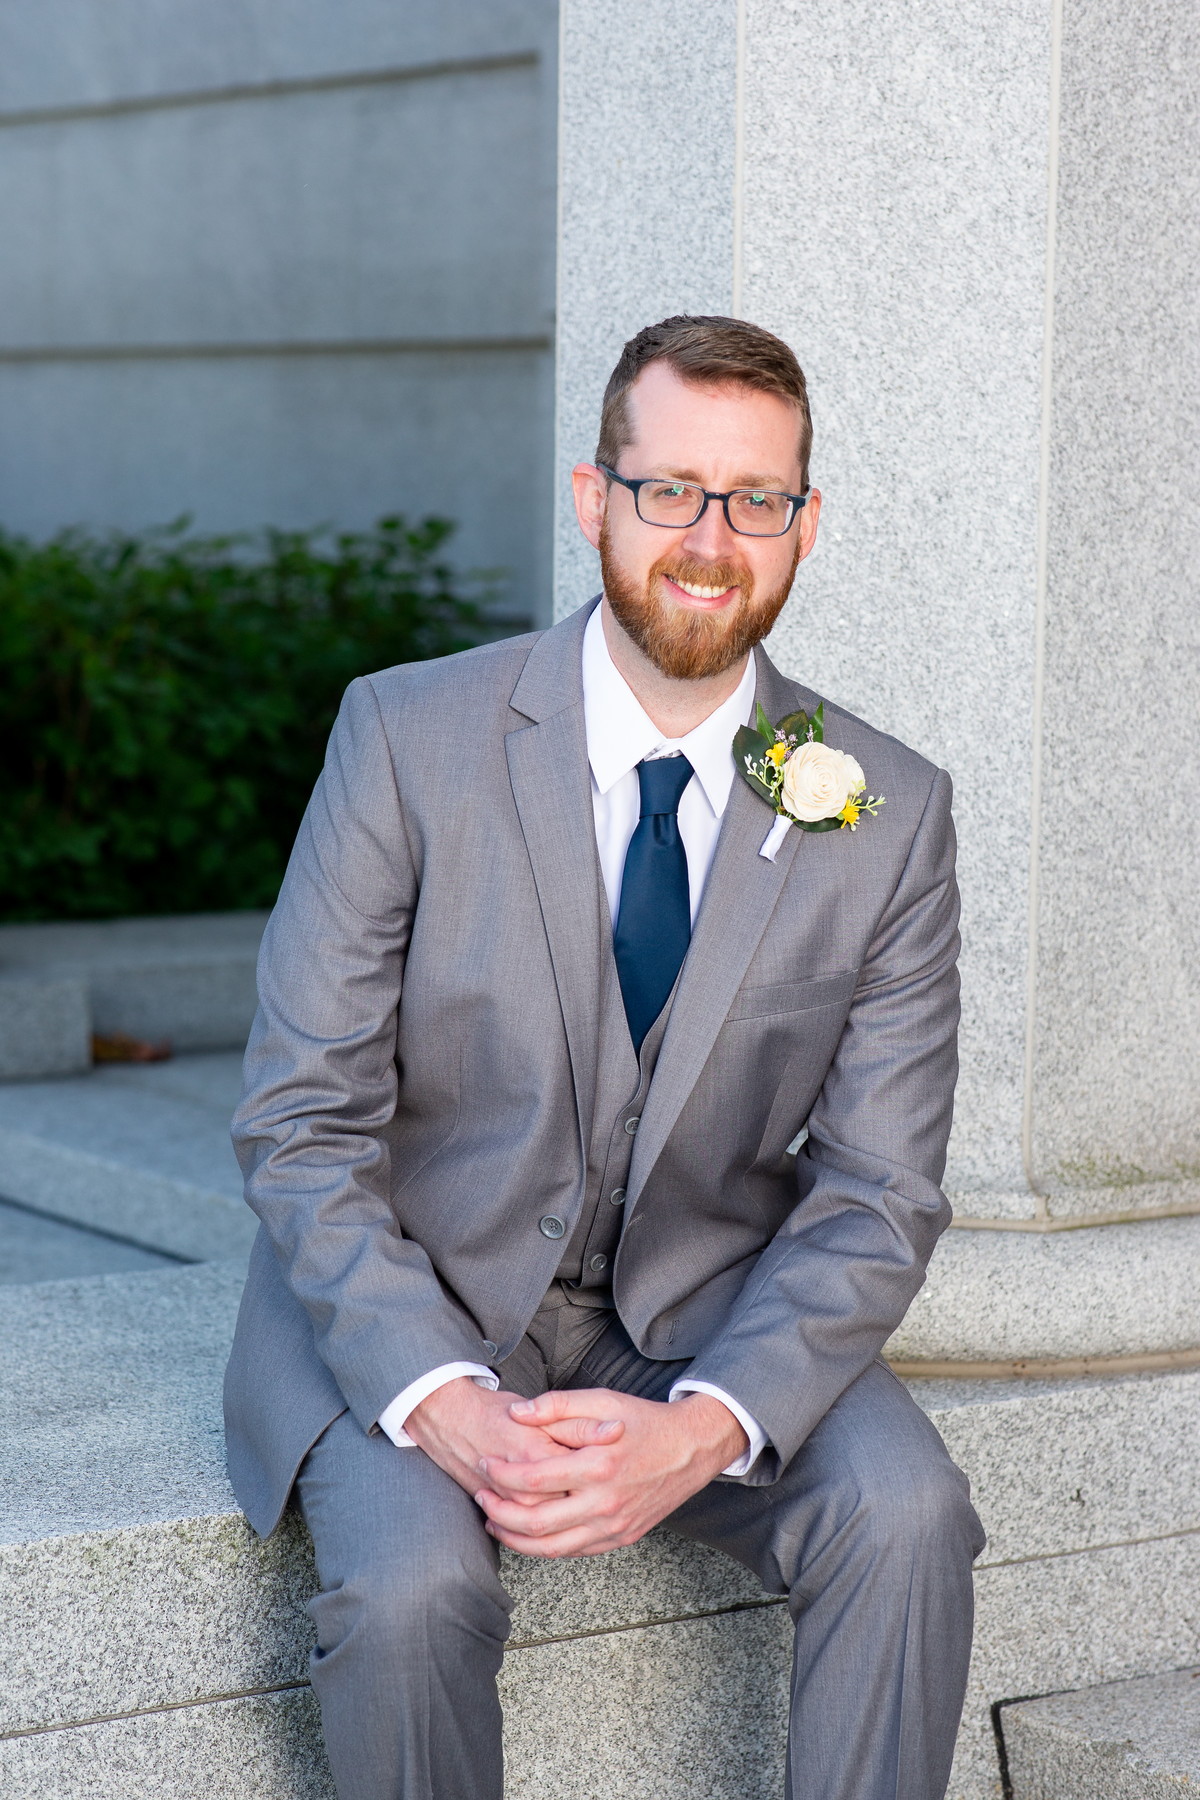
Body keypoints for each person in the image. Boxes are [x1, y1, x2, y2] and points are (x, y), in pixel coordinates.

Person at [225, 314, 985, 1800]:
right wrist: (437, 1390)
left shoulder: (884, 811)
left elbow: (881, 1189)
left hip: (698, 1315)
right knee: (411, 1598)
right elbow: (300, 1118)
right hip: (418, 1295)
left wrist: (707, 1425)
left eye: (756, 498)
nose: (711, 538)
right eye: (670, 490)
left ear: (805, 525)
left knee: (908, 1518)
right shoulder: (405, 737)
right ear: (595, 499)